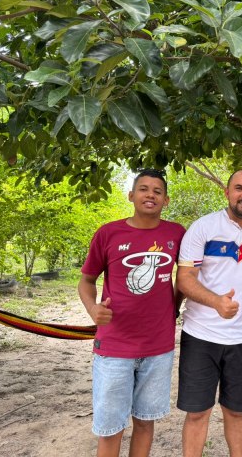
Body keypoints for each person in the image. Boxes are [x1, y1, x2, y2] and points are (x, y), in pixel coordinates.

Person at [78, 168, 186, 457]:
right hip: (114, 347)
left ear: (166, 200)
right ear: (131, 195)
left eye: (157, 191)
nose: (150, 194)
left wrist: (174, 306)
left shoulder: (177, 233)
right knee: (111, 427)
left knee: (145, 421)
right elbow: (86, 281)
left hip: (158, 347)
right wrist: (92, 308)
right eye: (143, 189)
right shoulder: (108, 233)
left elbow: (187, 277)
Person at [175, 169, 242, 457]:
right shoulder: (203, 228)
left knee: (236, 411)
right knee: (197, 413)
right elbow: (184, 279)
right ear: (227, 192)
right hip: (200, 335)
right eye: (239, 188)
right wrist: (216, 302)